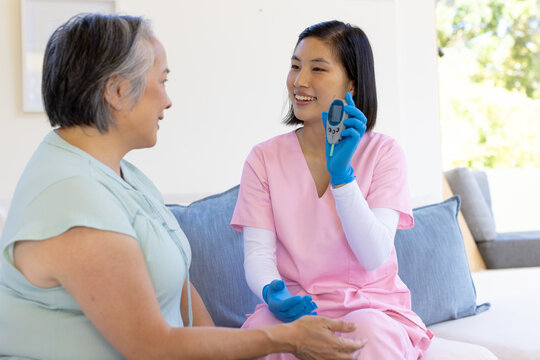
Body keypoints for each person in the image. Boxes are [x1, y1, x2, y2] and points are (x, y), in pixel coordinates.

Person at [0, 14, 366, 360]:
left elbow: (181, 293)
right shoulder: (73, 196)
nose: (167, 99)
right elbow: (151, 346)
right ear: (116, 91)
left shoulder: (120, 174)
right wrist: (287, 338)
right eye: (161, 82)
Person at [231, 20, 433, 359]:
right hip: (297, 308)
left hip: (371, 308)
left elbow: (373, 255)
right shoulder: (263, 158)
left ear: (351, 84)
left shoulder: (384, 153)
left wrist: (342, 177)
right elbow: (258, 255)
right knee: (262, 335)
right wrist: (272, 291)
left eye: (318, 69)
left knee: (368, 332)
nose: (300, 81)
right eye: (295, 66)